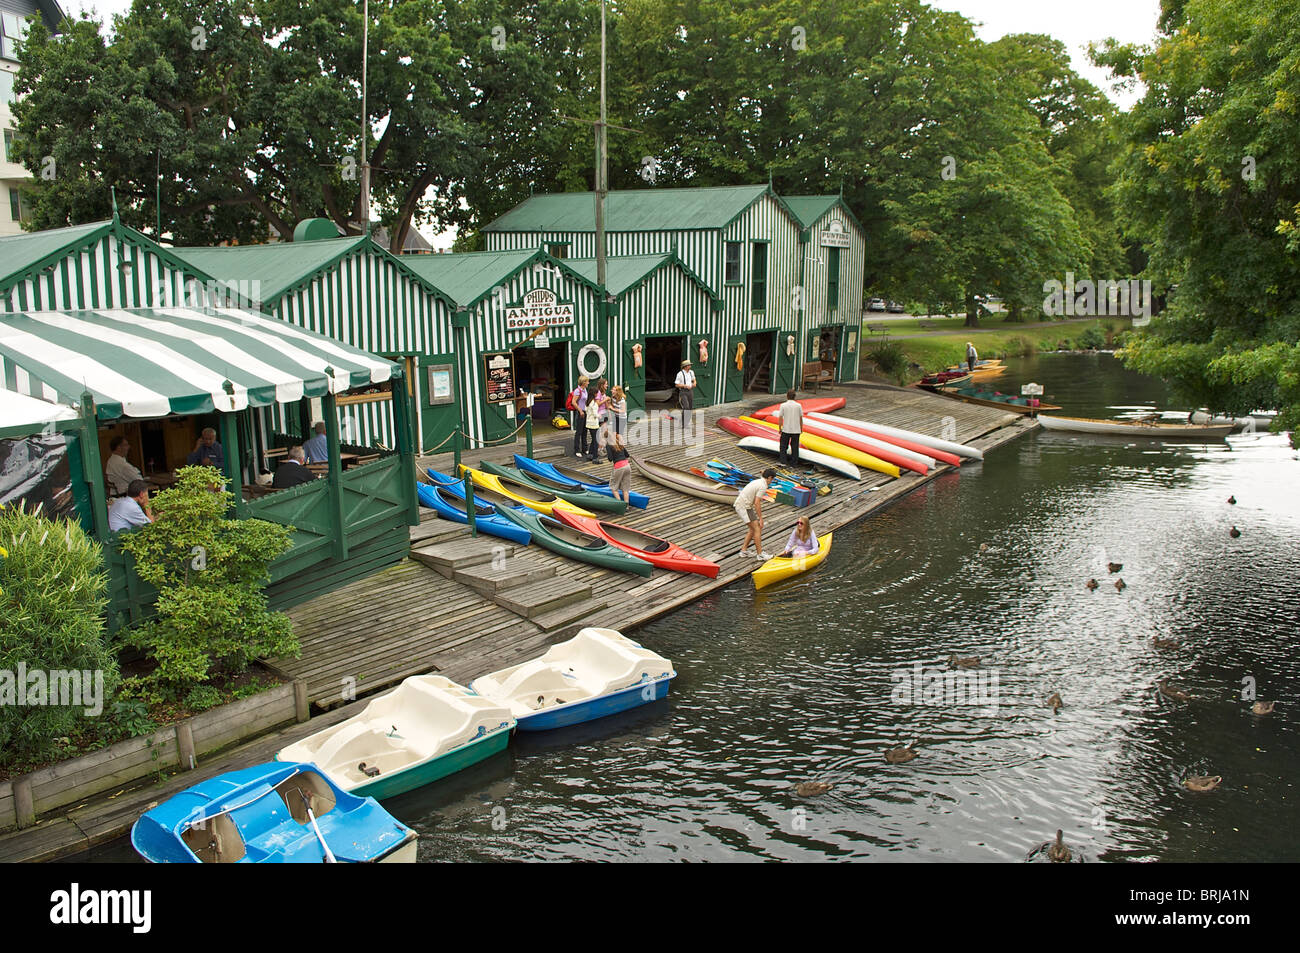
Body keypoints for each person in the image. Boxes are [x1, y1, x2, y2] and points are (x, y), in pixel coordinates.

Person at [736, 468, 776, 559]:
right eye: (772, 479)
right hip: (743, 507)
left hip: (744, 505)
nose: (772, 481)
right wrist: (761, 518)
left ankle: (744, 551)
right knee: (757, 528)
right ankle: (760, 554)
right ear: (769, 478)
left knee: (753, 528)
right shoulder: (763, 486)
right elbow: (757, 503)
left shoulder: (758, 481)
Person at [778, 389, 803, 465]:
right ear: (794, 396)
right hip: (796, 429)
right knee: (795, 447)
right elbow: (800, 418)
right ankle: (794, 463)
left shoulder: (783, 405)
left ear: (787, 396)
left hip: (786, 429)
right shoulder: (798, 406)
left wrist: (780, 428)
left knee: (783, 446)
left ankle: (783, 462)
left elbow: (780, 417)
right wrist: (801, 428)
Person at [569, 374, 590, 458]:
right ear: (583, 382)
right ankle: (577, 450)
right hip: (580, 413)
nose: (588, 383)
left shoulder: (585, 390)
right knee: (579, 432)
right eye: (587, 381)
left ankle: (585, 449)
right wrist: (580, 410)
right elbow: (573, 402)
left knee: (585, 431)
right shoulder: (578, 390)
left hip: (585, 412)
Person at [607, 432, 632, 503]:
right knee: (625, 489)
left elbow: (610, 458)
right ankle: (626, 505)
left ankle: (620, 504)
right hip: (627, 466)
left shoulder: (609, 445)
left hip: (619, 467)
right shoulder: (619, 443)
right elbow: (627, 455)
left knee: (613, 488)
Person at [674, 359, 696, 432]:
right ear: (685, 366)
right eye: (689, 365)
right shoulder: (680, 374)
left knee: (690, 408)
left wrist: (694, 383)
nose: (690, 366)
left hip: (690, 391)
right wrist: (685, 386)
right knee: (686, 407)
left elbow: (694, 380)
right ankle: (682, 423)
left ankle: (686, 424)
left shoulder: (691, 372)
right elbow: (677, 384)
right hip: (683, 392)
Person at [584, 380, 604, 463]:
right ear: (595, 394)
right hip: (594, 424)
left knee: (593, 439)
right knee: (596, 440)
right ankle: (595, 458)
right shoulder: (594, 403)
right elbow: (595, 414)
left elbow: (586, 411)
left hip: (588, 423)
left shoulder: (587, 402)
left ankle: (590, 454)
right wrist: (600, 416)